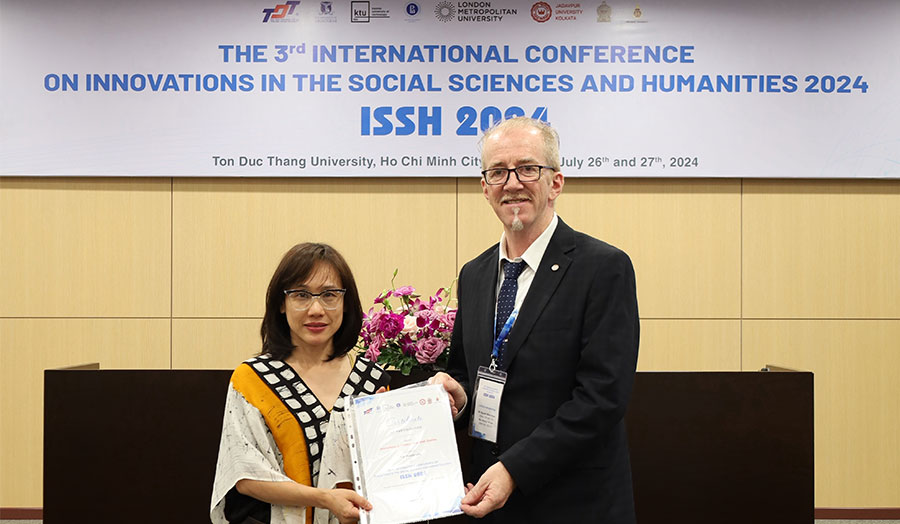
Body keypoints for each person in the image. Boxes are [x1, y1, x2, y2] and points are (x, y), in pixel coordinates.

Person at [433, 117, 640, 523]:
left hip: (575, 503)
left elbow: (602, 398)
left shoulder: (603, 268)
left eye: (528, 168)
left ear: (556, 183)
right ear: (485, 187)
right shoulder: (474, 275)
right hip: (488, 501)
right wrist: (456, 393)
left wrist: (514, 469)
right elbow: (469, 369)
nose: (512, 183)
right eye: (497, 172)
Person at [211, 243, 391, 524]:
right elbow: (243, 476)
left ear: (346, 302)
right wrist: (323, 499)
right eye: (301, 295)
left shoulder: (372, 381)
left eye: (330, 294)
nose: (316, 309)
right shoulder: (253, 380)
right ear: (281, 304)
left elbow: (386, 474)